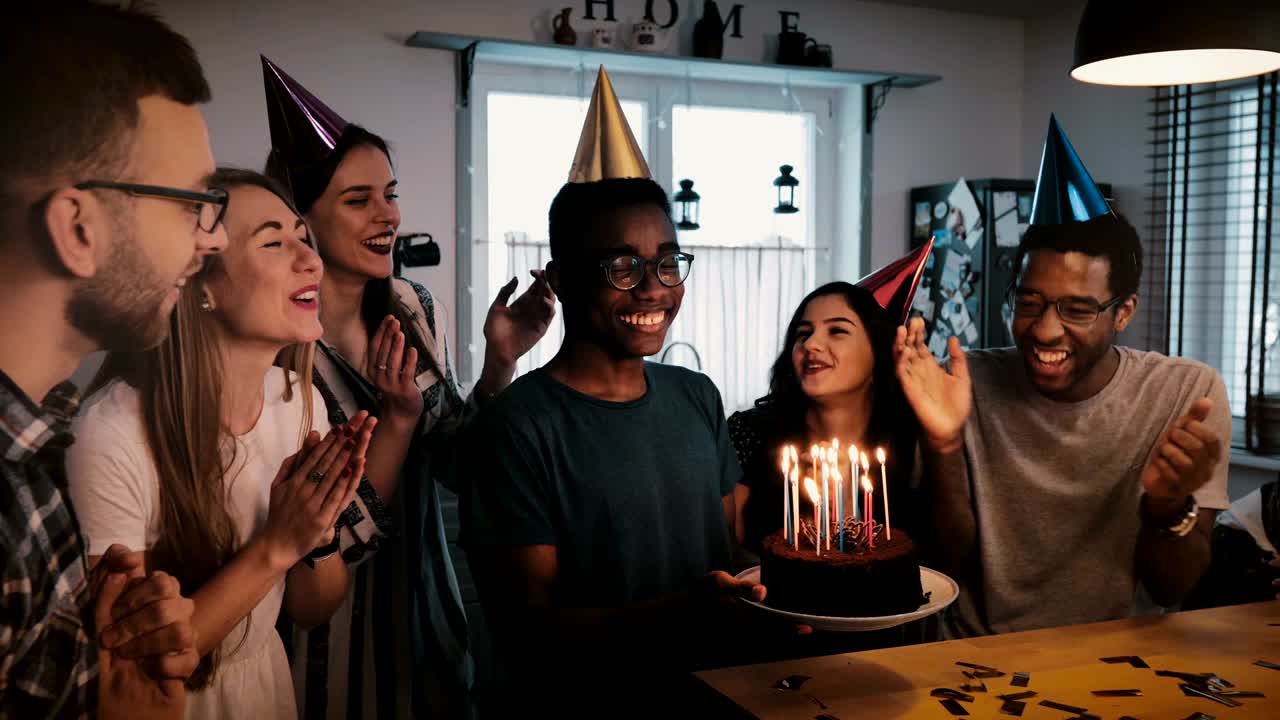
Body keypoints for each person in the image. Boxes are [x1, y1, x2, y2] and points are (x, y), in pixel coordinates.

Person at [260, 57, 555, 719]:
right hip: (325, 661)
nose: (387, 215)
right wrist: (395, 420)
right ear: (300, 217)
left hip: (429, 635)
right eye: (358, 200)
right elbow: (306, 544)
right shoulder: (275, 348)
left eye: (390, 194)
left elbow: (457, 463)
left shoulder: (413, 307)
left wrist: (500, 365)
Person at [463, 67, 763, 715]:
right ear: (561, 279)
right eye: (622, 266)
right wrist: (683, 612)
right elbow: (529, 630)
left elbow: (728, 538)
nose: (653, 288)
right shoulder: (517, 428)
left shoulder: (697, 398)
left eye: (667, 261)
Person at [895, 115, 1230, 638]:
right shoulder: (961, 385)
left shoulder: (1184, 393)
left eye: (1077, 309)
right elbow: (946, 568)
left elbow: (1173, 589)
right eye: (1029, 302)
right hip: (976, 659)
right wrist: (942, 444)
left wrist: (1167, 508)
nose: (1045, 330)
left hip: (1118, 658)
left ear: (1124, 312)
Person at [66, 168, 377, 718]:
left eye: (303, 237)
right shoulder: (109, 434)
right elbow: (135, 667)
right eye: (273, 243)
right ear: (200, 282)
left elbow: (311, 609)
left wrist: (317, 529)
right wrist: (277, 544)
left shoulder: (296, 400)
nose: (311, 259)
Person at [1, 4, 226, 717]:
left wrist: (90, 661)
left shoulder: (34, 444)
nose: (214, 240)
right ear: (78, 228)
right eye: (192, 205)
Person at [729, 275, 925, 551]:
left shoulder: (913, 443)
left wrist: (844, 508)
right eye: (803, 333)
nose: (810, 344)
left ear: (878, 351)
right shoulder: (749, 432)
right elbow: (726, 548)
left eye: (837, 331)